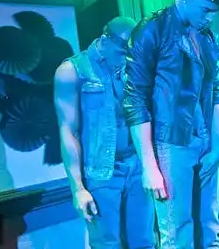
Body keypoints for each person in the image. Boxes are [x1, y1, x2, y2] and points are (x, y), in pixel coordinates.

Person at [123, 0, 219, 249]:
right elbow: (135, 99)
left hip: (205, 139)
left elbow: (216, 90)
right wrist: (149, 165)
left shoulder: (207, 35)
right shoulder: (151, 30)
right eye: (205, 9)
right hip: (170, 143)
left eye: (214, 12)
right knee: (177, 234)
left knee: (211, 230)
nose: (209, 18)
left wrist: (217, 146)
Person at [54, 17, 156, 249]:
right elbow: (68, 131)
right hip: (101, 172)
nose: (126, 58)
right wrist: (78, 188)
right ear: (105, 39)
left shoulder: (133, 66)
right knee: (107, 245)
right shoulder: (72, 71)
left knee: (145, 242)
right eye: (122, 52)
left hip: (136, 165)